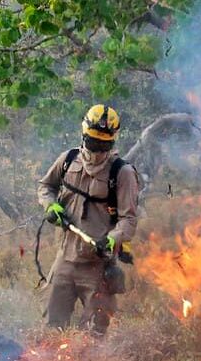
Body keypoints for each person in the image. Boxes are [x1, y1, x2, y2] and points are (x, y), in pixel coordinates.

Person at [37, 105, 139, 336]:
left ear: (112, 141)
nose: (97, 151)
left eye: (104, 145)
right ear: (84, 135)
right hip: (65, 260)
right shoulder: (68, 160)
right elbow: (45, 186)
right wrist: (51, 205)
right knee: (52, 328)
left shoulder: (122, 173)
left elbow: (129, 220)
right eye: (93, 143)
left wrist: (112, 239)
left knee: (95, 334)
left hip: (98, 267)